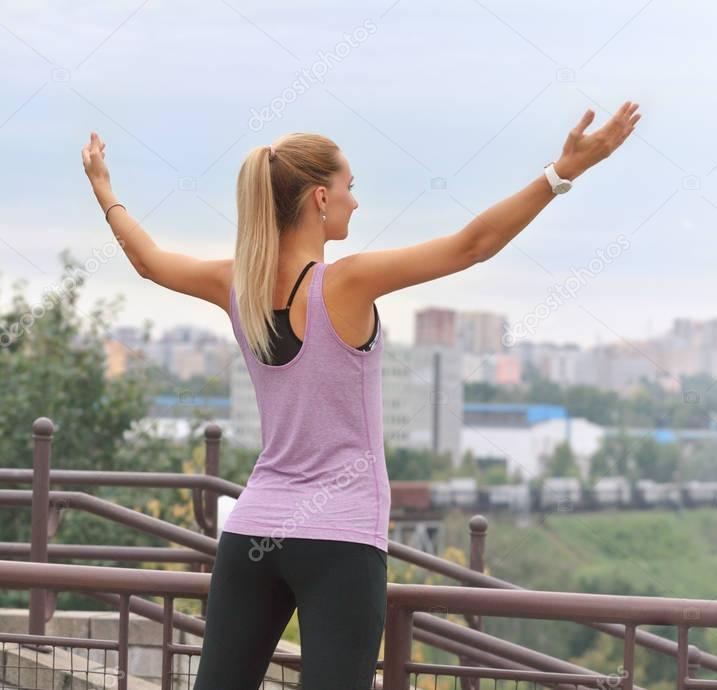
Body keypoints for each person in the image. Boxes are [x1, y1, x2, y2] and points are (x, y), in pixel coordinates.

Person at [80, 100, 641, 690]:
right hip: (340, 538)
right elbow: (473, 245)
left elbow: (147, 262)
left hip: (253, 531)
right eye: (350, 186)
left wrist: (104, 188)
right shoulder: (346, 284)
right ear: (320, 197)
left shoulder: (235, 283)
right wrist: (562, 172)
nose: (355, 199)